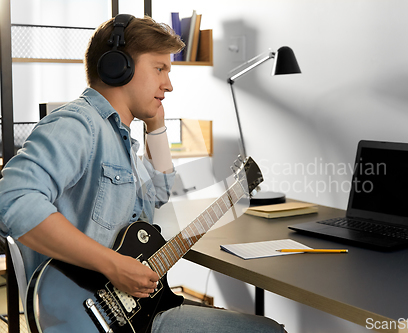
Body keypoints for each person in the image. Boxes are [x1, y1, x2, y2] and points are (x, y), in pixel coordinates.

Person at [0, 14, 285, 333]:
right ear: (118, 67)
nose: (169, 84)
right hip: (87, 314)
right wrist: (113, 264)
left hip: (134, 312)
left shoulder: (118, 137)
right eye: (159, 68)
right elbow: (13, 199)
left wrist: (157, 126)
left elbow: (158, 193)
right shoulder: (78, 126)